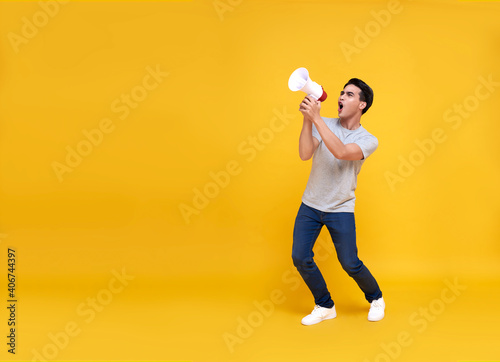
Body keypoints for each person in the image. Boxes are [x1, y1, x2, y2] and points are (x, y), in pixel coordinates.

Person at [292, 78, 384, 325]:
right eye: (342, 93)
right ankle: (325, 305)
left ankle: (376, 298)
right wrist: (307, 119)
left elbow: (342, 153)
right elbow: (304, 154)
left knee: (350, 263)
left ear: (362, 105)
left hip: (340, 208)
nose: (341, 97)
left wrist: (318, 119)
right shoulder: (324, 124)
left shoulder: (368, 139)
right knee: (300, 257)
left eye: (350, 95)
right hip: (310, 205)